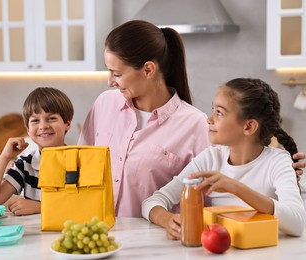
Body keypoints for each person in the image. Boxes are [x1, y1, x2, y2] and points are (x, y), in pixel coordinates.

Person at [78, 20, 306, 217]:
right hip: (97, 233)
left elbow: (229, 183)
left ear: (148, 70)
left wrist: (281, 165)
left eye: (117, 74)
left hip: (159, 245)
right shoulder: (104, 104)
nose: (110, 81)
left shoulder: (195, 124)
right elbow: (79, 166)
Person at [142, 78, 306, 239]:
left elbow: (297, 223)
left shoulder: (277, 161)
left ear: (248, 127)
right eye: (213, 109)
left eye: (219, 112)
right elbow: (153, 201)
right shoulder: (210, 158)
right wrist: (167, 219)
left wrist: (235, 187)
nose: (209, 118)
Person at [0, 87, 74, 216]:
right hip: (36, 235)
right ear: (28, 130)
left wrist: (41, 207)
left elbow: (83, 204)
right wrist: (5, 157)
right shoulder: (25, 164)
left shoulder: (79, 160)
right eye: (35, 120)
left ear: (67, 124)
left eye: (51, 118)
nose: (43, 126)